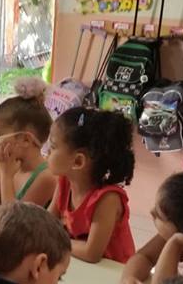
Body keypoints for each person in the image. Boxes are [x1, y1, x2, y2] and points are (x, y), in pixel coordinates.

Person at [47, 107, 135, 263]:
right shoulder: (64, 182)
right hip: (81, 264)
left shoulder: (108, 199)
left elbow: (91, 253)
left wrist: (52, 239)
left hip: (114, 272)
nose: (47, 152)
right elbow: (46, 223)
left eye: (53, 147)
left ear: (78, 161)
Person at [0, 79, 56, 207]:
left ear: (26, 140)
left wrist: (6, 175)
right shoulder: (13, 167)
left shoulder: (45, 177)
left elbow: (13, 217)